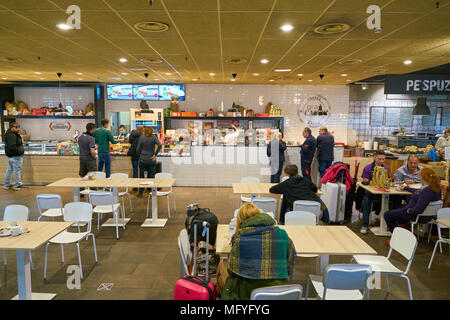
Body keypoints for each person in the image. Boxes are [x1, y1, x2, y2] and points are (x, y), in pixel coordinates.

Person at [221, 203, 295, 300]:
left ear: (240, 220)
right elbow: (290, 264)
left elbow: (232, 272)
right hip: (279, 292)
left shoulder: (240, 238)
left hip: (247, 293)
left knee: (221, 266)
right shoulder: (282, 235)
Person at [384, 168, 441, 246]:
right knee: (399, 208)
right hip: (429, 216)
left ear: (422, 177)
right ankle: (404, 230)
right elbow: (418, 192)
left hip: (416, 215)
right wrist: (406, 188)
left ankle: (398, 239)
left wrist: (410, 211)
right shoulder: (434, 188)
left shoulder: (426, 191)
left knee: (388, 214)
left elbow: (419, 209)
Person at [360, 150, 392, 234]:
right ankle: (365, 224)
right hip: (372, 192)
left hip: (383, 192)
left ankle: (390, 224)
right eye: (379, 159)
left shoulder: (386, 169)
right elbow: (366, 182)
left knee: (395, 199)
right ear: (374, 157)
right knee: (367, 198)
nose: (381, 161)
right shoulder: (368, 168)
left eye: (383, 159)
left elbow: (390, 181)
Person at [136, 127, 162, 197]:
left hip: (143, 159)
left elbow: (138, 149)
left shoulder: (142, 138)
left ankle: (140, 192)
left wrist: (140, 156)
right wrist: (155, 155)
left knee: (141, 176)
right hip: (151, 159)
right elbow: (160, 145)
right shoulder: (153, 138)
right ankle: (152, 192)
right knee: (152, 176)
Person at [3, 122, 24, 191]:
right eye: (16, 127)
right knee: (17, 171)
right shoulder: (12, 135)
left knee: (9, 170)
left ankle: (6, 184)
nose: (18, 129)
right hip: (16, 156)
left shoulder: (10, 134)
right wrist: (20, 153)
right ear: (12, 127)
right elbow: (12, 146)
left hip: (11, 156)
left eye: (18, 127)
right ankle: (17, 185)